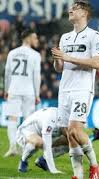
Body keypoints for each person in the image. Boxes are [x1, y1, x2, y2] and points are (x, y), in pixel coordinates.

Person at [51, 0, 99, 178]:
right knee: (68, 134)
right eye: (71, 8)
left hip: (82, 89)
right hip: (64, 90)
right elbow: (59, 68)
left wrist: (67, 57)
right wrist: (58, 59)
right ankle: (78, 174)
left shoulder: (94, 36)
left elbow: (96, 63)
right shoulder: (65, 37)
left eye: (75, 8)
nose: (70, 10)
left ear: (84, 13)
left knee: (75, 129)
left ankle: (95, 165)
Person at [4, 28, 41, 157]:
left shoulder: (12, 53)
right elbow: (36, 76)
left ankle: (12, 147)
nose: (37, 40)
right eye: (35, 37)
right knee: (28, 121)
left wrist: (6, 90)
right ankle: (25, 147)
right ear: (28, 38)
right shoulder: (35, 55)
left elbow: (7, 73)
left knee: (12, 118)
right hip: (29, 91)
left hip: (13, 89)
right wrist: (37, 94)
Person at [17, 107, 68, 173]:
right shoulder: (51, 119)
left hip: (43, 132)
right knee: (39, 142)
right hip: (27, 130)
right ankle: (23, 161)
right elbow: (47, 146)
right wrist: (53, 170)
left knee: (69, 142)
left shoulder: (67, 120)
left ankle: (42, 160)